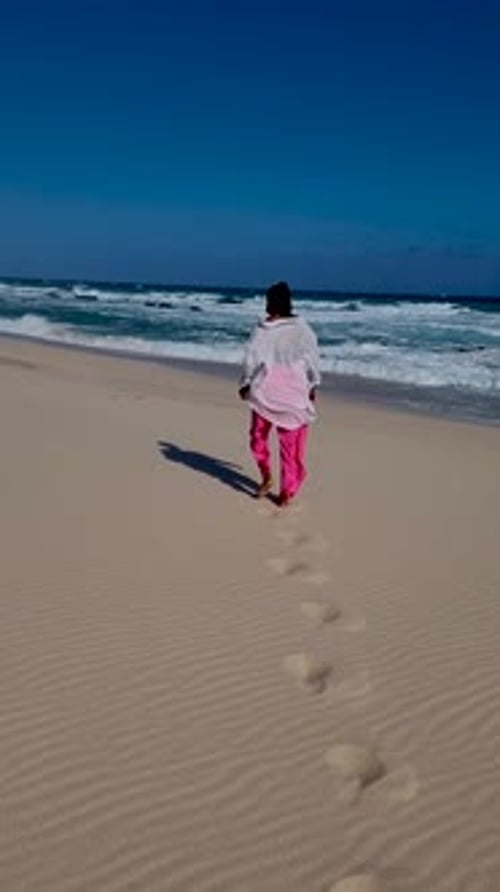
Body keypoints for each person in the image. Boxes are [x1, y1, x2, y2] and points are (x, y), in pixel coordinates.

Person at [239, 281, 321, 507]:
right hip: (269, 392)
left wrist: (312, 384)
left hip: (287, 393)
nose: (266, 306)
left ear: (277, 303)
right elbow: (251, 359)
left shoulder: (299, 329)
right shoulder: (264, 329)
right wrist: (246, 383)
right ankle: (271, 479)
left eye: (269, 301)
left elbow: (311, 358)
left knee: (282, 447)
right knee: (263, 441)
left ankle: (283, 490)